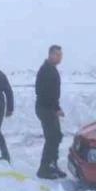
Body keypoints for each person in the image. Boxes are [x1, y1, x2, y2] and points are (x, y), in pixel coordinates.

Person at [34, 44, 66, 179]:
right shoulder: (46, 70)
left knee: (57, 136)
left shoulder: (51, 68)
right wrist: (55, 108)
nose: (59, 58)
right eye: (57, 55)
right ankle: (44, 169)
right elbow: (43, 93)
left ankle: (52, 165)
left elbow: (53, 93)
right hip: (45, 108)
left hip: (50, 108)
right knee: (52, 138)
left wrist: (56, 107)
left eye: (61, 55)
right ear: (50, 55)